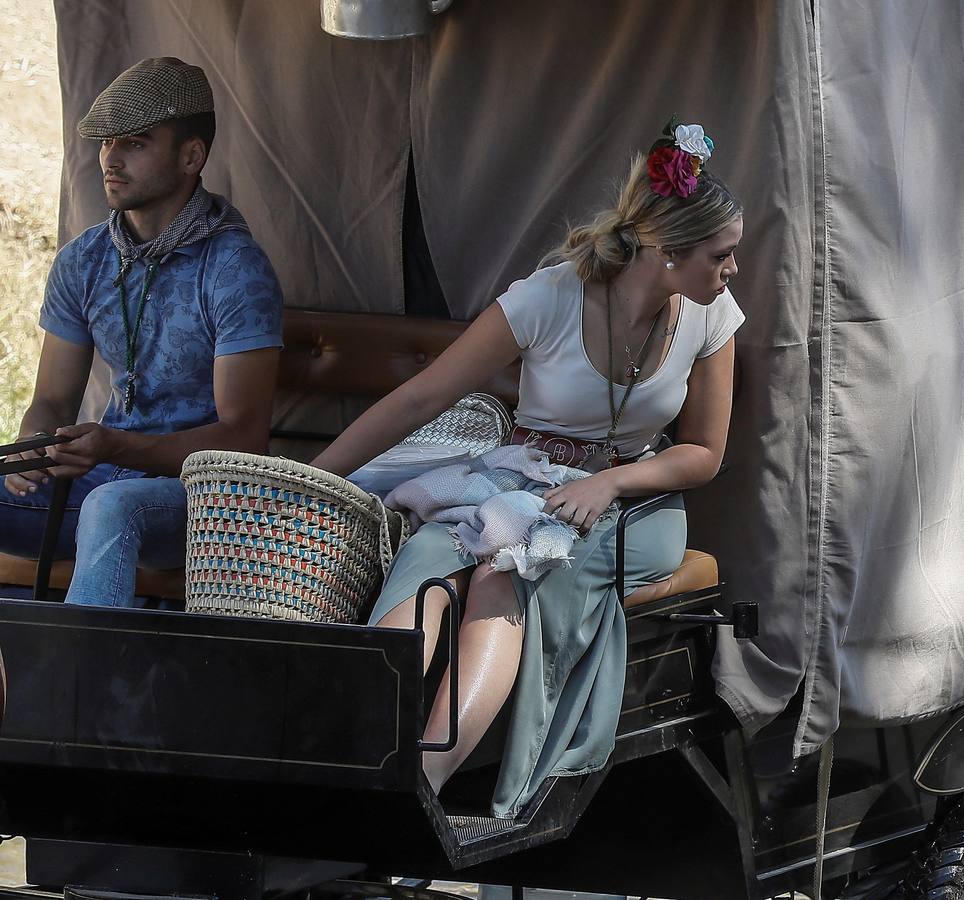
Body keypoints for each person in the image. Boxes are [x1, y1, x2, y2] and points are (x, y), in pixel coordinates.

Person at [311, 122, 743, 817]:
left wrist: (610, 481)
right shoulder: (551, 297)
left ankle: (419, 791)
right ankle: (350, 761)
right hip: (524, 476)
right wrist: (319, 479)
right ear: (668, 252)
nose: (731, 269)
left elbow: (704, 454)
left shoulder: (710, 312)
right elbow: (425, 395)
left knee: (502, 574)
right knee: (430, 565)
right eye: (722, 255)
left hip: (637, 498)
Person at [0, 57, 283, 606]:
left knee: (114, 506)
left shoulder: (234, 269)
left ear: (190, 156)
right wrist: (33, 451)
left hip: (204, 501)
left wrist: (114, 445)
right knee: (103, 500)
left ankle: (84, 686)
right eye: (107, 143)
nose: (111, 158)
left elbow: (243, 439)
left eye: (134, 143)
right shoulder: (84, 261)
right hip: (98, 482)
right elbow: (52, 401)